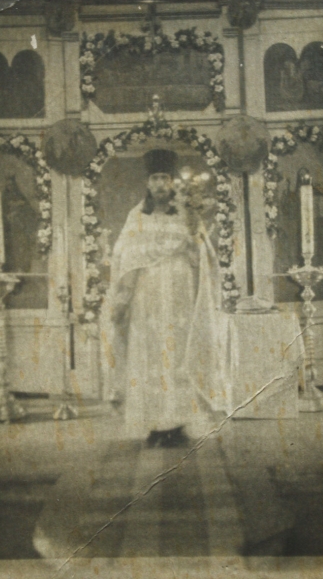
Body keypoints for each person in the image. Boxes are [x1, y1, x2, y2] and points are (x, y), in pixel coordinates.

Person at [105, 149, 228, 447]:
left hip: (180, 294)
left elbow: (201, 257)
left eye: (165, 178)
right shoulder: (137, 216)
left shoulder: (187, 214)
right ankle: (155, 424)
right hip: (147, 296)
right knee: (150, 355)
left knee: (179, 354)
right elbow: (125, 258)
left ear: (173, 182)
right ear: (148, 183)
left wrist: (194, 239)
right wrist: (121, 300)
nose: (160, 184)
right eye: (155, 179)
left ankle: (180, 422)